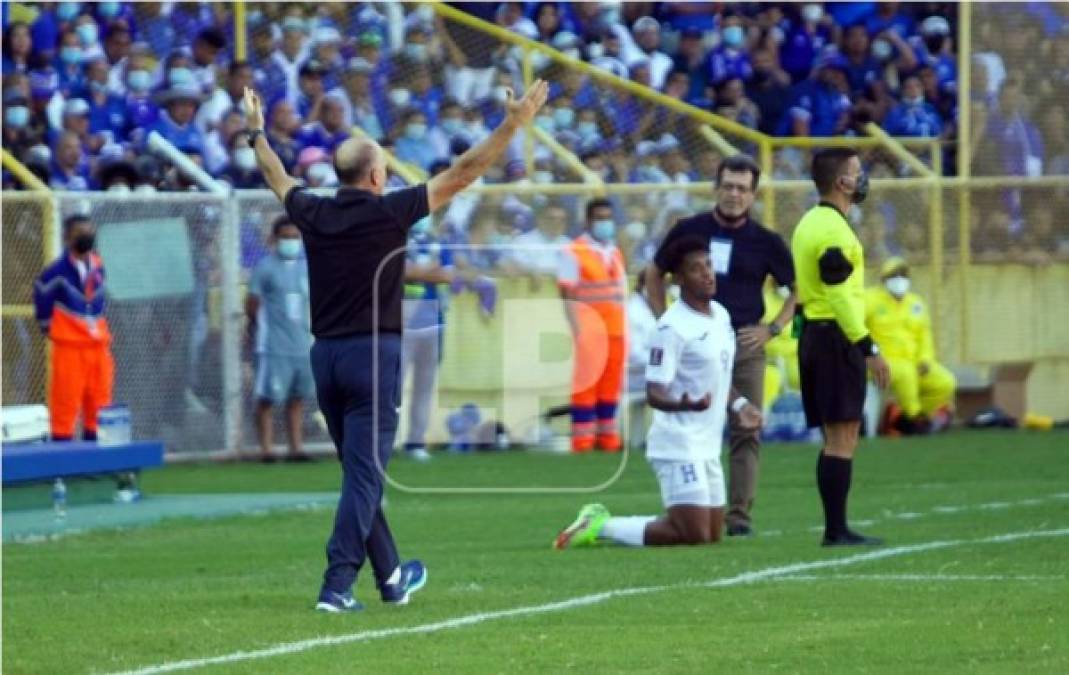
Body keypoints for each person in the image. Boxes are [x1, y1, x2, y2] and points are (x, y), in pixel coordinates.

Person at [241, 77, 549, 612]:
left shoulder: (312, 210)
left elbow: (275, 173)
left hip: (326, 358)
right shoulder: (391, 211)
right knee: (364, 476)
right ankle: (336, 584)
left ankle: (391, 579)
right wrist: (512, 124)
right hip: (373, 356)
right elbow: (465, 171)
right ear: (378, 175)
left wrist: (256, 132)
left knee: (361, 473)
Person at [554, 239, 762, 549]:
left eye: (708, 265)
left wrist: (740, 404)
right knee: (691, 535)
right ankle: (601, 524)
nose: (707, 274)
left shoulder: (720, 315)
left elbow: (719, 376)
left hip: (706, 443)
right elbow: (654, 393)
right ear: (678, 280)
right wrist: (684, 404)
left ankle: (640, 522)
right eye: (696, 269)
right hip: (677, 442)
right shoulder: (671, 328)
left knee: (711, 534)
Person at [643, 155, 796, 538]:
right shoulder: (690, 231)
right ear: (716, 187)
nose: (734, 194)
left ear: (753, 194)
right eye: (728, 186)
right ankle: (689, 502)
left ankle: (739, 516)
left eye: (742, 188)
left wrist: (773, 328)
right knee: (694, 420)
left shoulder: (766, 241)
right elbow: (653, 272)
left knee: (747, 427)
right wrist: (666, 319)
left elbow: (797, 291)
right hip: (694, 345)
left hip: (742, 341)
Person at [791, 147, 890, 547]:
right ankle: (836, 529)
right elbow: (838, 294)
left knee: (838, 434)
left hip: (816, 334)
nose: (862, 177)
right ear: (842, 182)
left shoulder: (809, 223)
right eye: (857, 171)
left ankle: (836, 526)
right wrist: (867, 346)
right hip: (835, 336)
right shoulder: (833, 230)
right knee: (842, 435)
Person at [33, 214, 114, 442]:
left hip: (98, 346)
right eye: (81, 233)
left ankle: (94, 460)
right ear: (68, 237)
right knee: (65, 404)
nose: (87, 237)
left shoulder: (98, 266)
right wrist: (56, 331)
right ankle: (62, 464)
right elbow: (42, 304)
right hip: (70, 348)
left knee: (100, 403)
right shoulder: (55, 272)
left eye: (90, 232)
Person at [558, 198, 627, 453]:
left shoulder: (615, 251)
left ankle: (608, 439)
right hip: (590, 327)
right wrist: (576, 328)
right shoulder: (572, 251)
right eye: (599, 218)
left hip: (617, 328)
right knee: (587, 385)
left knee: (611, 385)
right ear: (588, 221)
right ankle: (583, 441)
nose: (605, 223)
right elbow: (566, 293)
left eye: (608, 217)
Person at [246, 216, 316, 463]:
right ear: (274, 239)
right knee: (268, 397)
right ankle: (266, 448)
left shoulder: (306, 268)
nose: (291, 242)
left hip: (303, 343)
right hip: (274, 344)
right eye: (286, 237)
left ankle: (295, 447)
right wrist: (257, 327)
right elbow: (252, 303)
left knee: (297, 397)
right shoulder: (265, 267)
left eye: (295, 237)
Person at [865, 257, 956, 434]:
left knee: (945, 382)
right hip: (882, 363)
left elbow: (925, 336)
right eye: (894, 275)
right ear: (884, 279)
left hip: (914, 363)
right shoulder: (870, 300)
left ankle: (912, 418)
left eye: (903, 275)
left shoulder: (916, 303)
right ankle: (914, 419)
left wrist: (925, 360)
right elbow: (855, 328)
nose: (899, 279)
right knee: (906, 374)